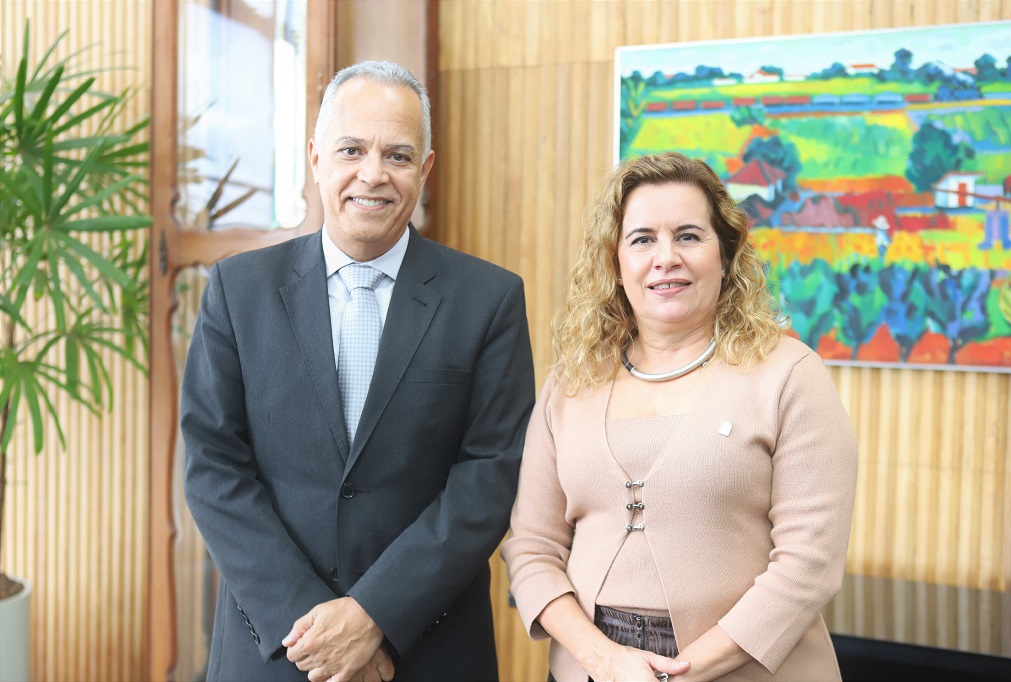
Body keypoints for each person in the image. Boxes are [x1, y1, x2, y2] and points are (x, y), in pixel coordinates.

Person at [181, 60, 535, 682]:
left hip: (428, 649)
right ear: (316, 156)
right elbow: (214, 466)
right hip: (275, 647)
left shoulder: (489, 299)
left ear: (424, 170)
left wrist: (375, 616)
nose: (373, 174)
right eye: (352, 149)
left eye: (398, 155)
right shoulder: (239, 290)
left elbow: (491, 476)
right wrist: (314, 624)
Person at [501, 152, 858, 682]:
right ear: (615, 263)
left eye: (689, 236)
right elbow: (531, 549)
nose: (665, 257)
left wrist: (675, 674)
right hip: (592, 669)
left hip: (743, 669)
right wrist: (604, 660)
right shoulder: (570, 383)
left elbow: (809, 567)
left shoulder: (790, 375)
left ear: (726, 254)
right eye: (642, 239)